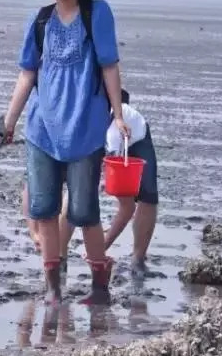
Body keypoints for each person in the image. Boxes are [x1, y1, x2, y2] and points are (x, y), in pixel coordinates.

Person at [2, 0, 129, 305]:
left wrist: (118, 115)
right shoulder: (40, 21)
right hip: (42, 128)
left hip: (85, 128)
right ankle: (53, 287)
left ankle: (100, 286)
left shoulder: (97, 13)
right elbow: (28, 73)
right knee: (43, 208)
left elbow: (109, 65)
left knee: (84, 210)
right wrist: (9, 120)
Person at [50, 88, 159, 275]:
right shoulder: (75, 123)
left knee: (146, 197)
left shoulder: (112, 133)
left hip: (136, 138)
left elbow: (111, 169)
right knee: (77, 191)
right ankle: (60, 257)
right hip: (102, 140)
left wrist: (101, 180)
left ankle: (137, 259)